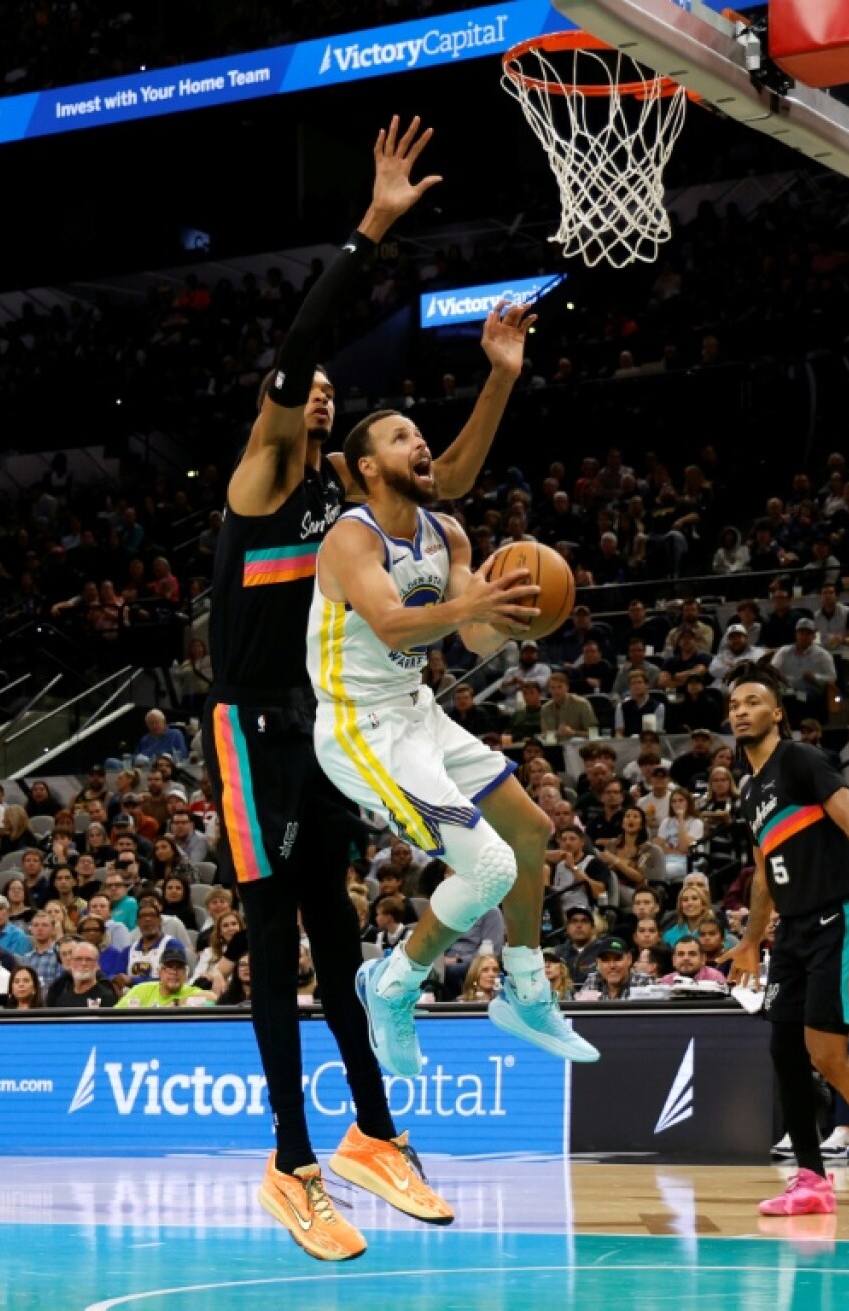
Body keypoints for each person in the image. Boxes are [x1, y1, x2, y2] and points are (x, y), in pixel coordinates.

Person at [200, 117, 522, 1256]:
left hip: (323, 730)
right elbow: (294, 351)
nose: (321, 390)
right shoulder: (261, 478)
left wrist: (495, 381)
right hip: (249, 732)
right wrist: (373, 228)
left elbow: (454, 481)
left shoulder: (359, 524)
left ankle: (371, 1134)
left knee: (341, 941)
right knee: (276, 933)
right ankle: (289, 1159)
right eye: (309, 387)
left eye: (339, 390)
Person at [307, 399, 600, 1087]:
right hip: (360, 726)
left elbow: (473, 637)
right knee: (490, 868)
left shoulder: (449, 535)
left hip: (417, 710)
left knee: (531, 830)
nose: (422, 442)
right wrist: (471, 606)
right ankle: (393, 980)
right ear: (370, 466)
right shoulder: (352, 537)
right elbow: (388, 623)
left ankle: (526, 988)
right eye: (402, 435)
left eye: (421, 433)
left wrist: (511, 614)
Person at [721, 662, 849, 1216]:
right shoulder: (749, 787)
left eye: (752, 701)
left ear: (777, 712)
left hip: (837, 916)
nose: (740, 711)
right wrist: (749, 940)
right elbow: (766, 868)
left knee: (827, 1054)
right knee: (785, 1051)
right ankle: (811, 1180)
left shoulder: (801, 760)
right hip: (790, 931)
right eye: (734, 704)